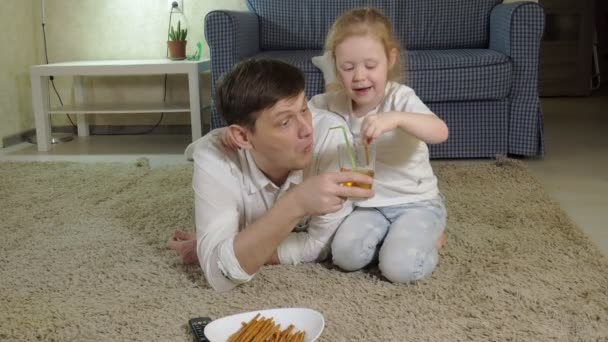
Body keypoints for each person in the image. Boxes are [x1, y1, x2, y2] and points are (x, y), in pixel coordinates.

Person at [169, 58, 374, 292]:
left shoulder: (330, 134)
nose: (307, 130)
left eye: (304, 109)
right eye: (286, 122)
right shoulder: (215, 155)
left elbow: (321, 243)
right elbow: (219, 275)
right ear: (243, 137)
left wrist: (237, 246)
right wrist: (297, 203)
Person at [307, 8, 449, 283]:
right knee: (345, 257)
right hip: (367, 205)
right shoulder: (333, 102)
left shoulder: (400, 98)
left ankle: (433, 241)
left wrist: (396, 119)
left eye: (370, 66)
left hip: (416, 203)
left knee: (399, 270)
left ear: (390, 59)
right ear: (337, 67)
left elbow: (439, 131)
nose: (359, 76)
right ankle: (395, 241)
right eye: (348, 68)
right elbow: (297, 115)